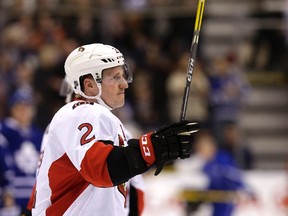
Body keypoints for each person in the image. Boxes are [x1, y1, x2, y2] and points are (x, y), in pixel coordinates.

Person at [31, 43, 199, 215]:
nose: (124, 84)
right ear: (89, 85)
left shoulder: (104, 120)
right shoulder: (81, 113)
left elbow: (131, 189)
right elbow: (101, 169)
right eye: (115, 77)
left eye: (123, 75)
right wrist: (153, 147)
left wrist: (158, 147)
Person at [0, 87, 43, 215]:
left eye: (28, 107)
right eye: (20, 106)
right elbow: (3, 164)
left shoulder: (37, 134)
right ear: (12, 108)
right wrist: (7, 190)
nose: (24, 111)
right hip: (11, 196)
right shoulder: (4, 131)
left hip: (34, 195)